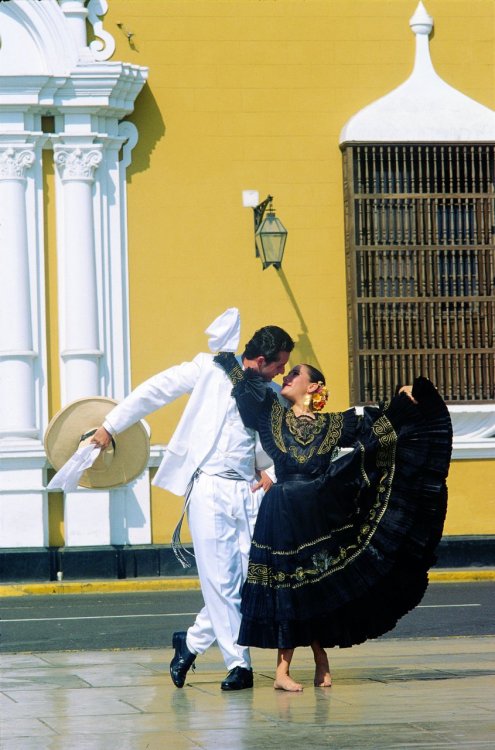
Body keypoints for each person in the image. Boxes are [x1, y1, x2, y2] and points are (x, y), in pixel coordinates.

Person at [213, 352, 452, 691]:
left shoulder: (334, 424)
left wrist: (405, 398)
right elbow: (247, 396)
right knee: (286, 589)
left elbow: (381, 429)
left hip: (317, 510)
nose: (288, 376)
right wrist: (230, 363)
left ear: (313, 386)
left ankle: (321, 660)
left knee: (317, 588)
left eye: (295, 373)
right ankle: (281, 672)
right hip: (280, 513)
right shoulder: (271, 416)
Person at [90, 309, 294, 691]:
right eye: (279, 366)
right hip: (209, 487)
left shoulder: (269, 396)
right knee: (220, 581)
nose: (282, 375)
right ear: (262, 359)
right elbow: (155, 390)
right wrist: (109, 426)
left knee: (254, 581)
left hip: (248, 490)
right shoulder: (210, 369)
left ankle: (191, 641)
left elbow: (284, 446)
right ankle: (240, 665)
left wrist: (272, 474)